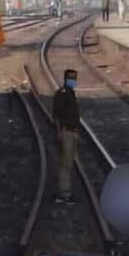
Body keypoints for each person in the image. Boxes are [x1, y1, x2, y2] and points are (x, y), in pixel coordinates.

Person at [53, 69, 80, 205]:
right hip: (66, 132)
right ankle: (64, 194)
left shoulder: (70, 93)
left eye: (74, 78)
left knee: (69, 163)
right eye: (70, 78)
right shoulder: (62, 93)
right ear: (64, 78)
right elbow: (56, 114)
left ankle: (66, 192)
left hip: (72, 132)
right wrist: (59, 132)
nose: (73, 80)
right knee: (65, 164)